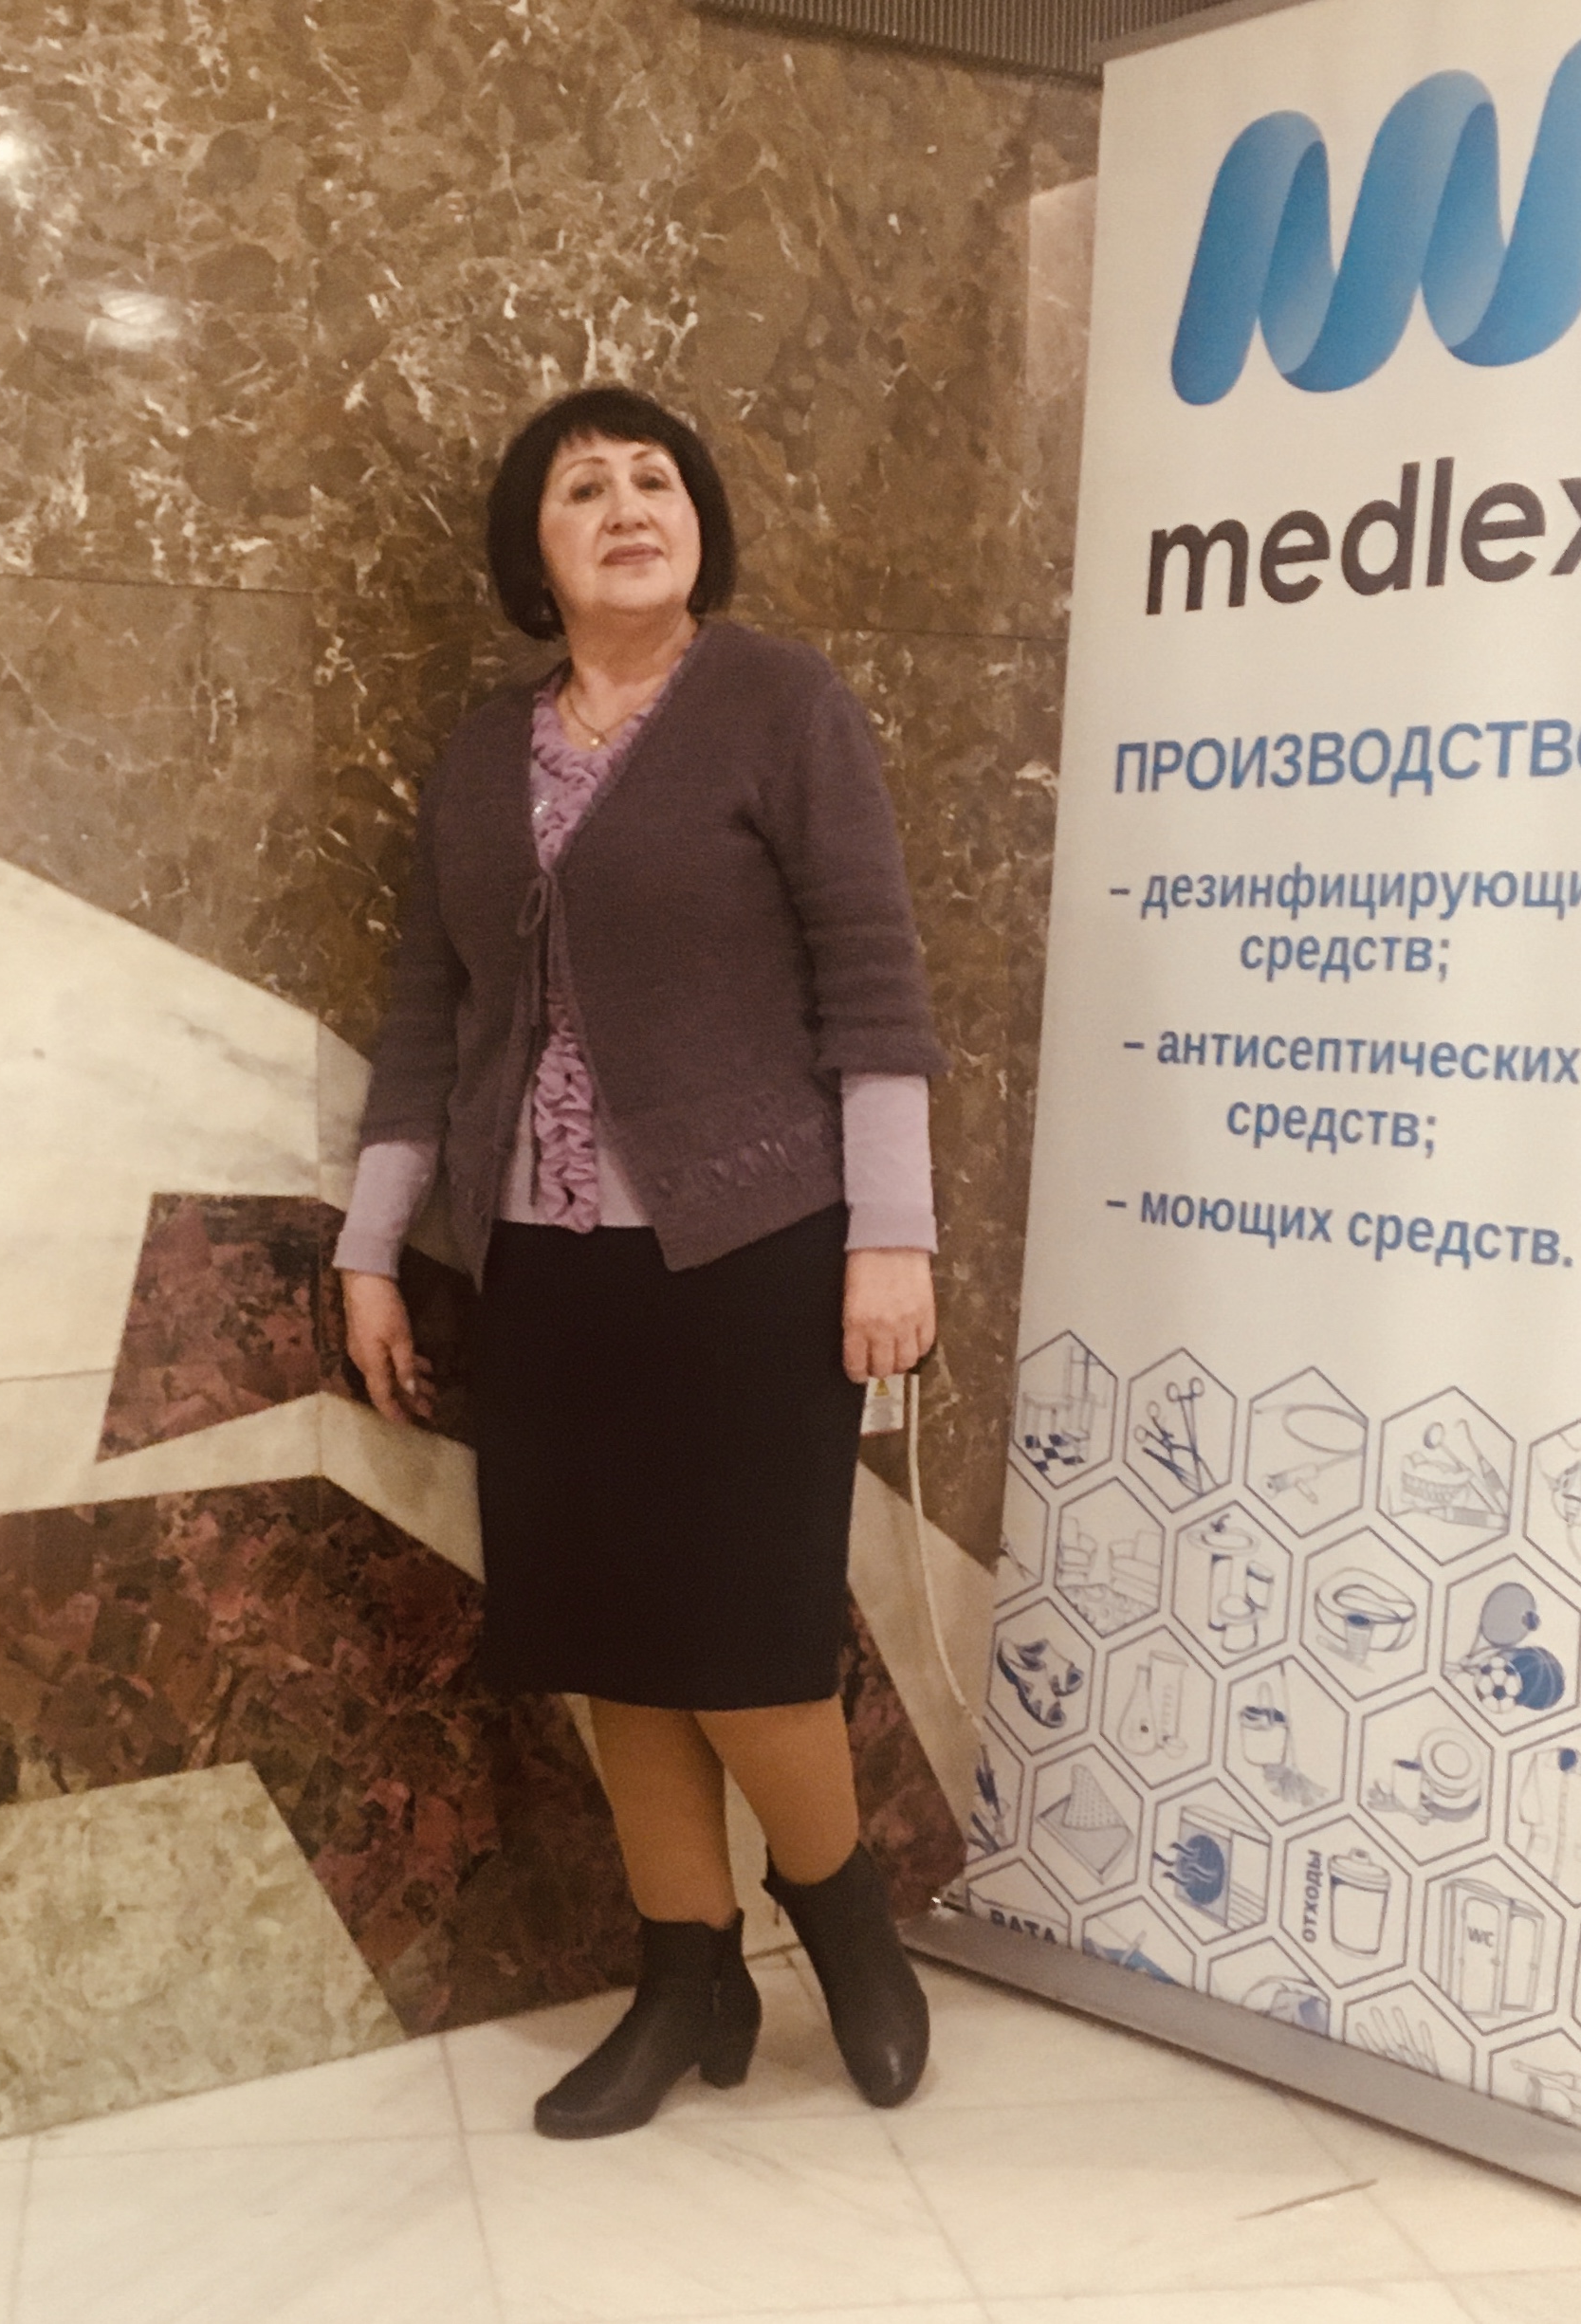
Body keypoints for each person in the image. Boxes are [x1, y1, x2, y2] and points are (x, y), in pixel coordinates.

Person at [336, 385, 946, 2138]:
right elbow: (429, 1013)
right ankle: (686, 1976)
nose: (626, 506)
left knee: (751, 1640)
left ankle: (846, 1928)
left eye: (655, 480)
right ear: (532, 550)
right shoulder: (481, 753)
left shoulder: (780, 704)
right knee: (611, 1636)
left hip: (757, 1248)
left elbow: (874, 978)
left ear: (698, 524)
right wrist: (374, 1249)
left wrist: (892, 1234)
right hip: (543, 1262)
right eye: (583, 487)